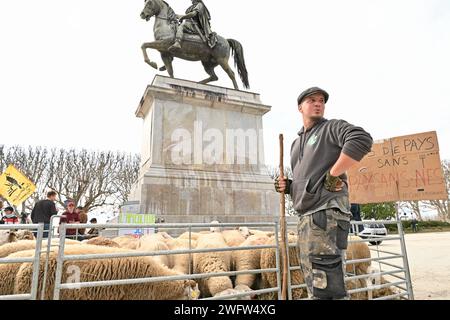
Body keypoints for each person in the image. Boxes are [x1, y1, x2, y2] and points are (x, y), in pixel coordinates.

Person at [275, 87, 373, 300]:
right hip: (306, 217)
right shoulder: (295, 143)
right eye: (312, 100)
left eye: (321, 100)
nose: (318, 103)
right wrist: (289, 186)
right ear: (300, 107)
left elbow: (361, 139)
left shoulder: (331, 127)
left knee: (328, 287)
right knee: (314, 281)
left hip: (326, 213)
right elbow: (308, 181)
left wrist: (334, 174)